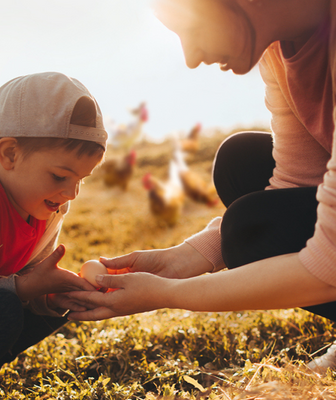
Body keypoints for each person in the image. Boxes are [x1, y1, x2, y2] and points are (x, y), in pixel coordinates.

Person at [63, 0, 336, 372]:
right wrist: (180, 261)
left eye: (191, 29)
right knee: (241, 164)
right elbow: (295, 182)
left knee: (247, 227)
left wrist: (168, 294)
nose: (190, 58)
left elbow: (328, 262)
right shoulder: (276, 51)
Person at [0, 71, 108, 399]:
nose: (71, 192)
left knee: (53, 306)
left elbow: (26, 282)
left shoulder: (51, 208)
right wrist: (23, 288)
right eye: (60, 176)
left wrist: (48, 296)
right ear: (10, 154)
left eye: (81, 180)